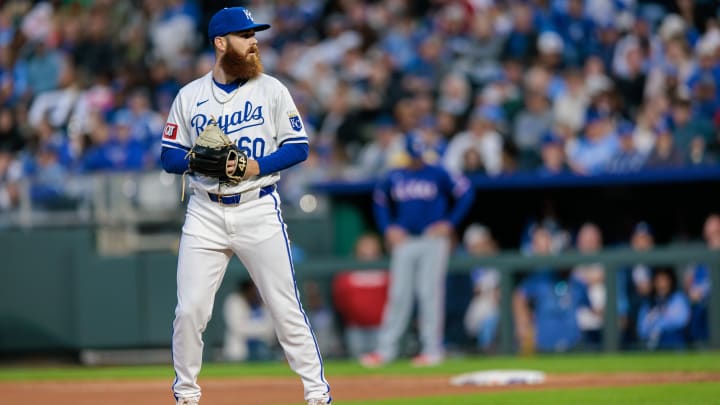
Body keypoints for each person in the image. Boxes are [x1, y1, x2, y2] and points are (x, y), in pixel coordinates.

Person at [159, 7, 331, 405]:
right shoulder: (190, 96)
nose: (253, 42)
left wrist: (257, 165)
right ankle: (186, 395)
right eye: (243, 35)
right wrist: (194, 160)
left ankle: (318, 394)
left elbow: (298, 147)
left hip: (258, 207)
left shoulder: (271, 89)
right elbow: (169, 156)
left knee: (285, 309)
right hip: (204, 211)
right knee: (189, 312)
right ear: (221, 43)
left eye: (254, 34)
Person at [360, 133, 475, 367]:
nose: (417, 160)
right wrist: (387, 228)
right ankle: (386, 350)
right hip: (405, 240)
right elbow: (379, 199)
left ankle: (432, 349)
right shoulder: (395, 174)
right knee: (399, 295)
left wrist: (450, 222)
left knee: (429, 294)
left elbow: (466, 191)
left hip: (432, 239)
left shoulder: (437, 171)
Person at [637, 267, 691, 350]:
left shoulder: (678, 298)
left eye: (665, 281)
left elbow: (682, 321)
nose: (662, 285)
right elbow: (642, 330)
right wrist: (650, 319)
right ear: (654, 283)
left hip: (674, 341)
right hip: (653, 344)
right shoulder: (649, 303)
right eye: (658, 281)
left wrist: (659, 325)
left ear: (670, 282)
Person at [222, 280, 275, 362]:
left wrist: (252, 327)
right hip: (239, 352)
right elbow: (238, 328)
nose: (255, 293)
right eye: (253, 290)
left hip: (264, 350)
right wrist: (261, 328)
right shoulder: (234, 301)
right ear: (246, 291)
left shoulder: (264, 302)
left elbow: (270, 328)